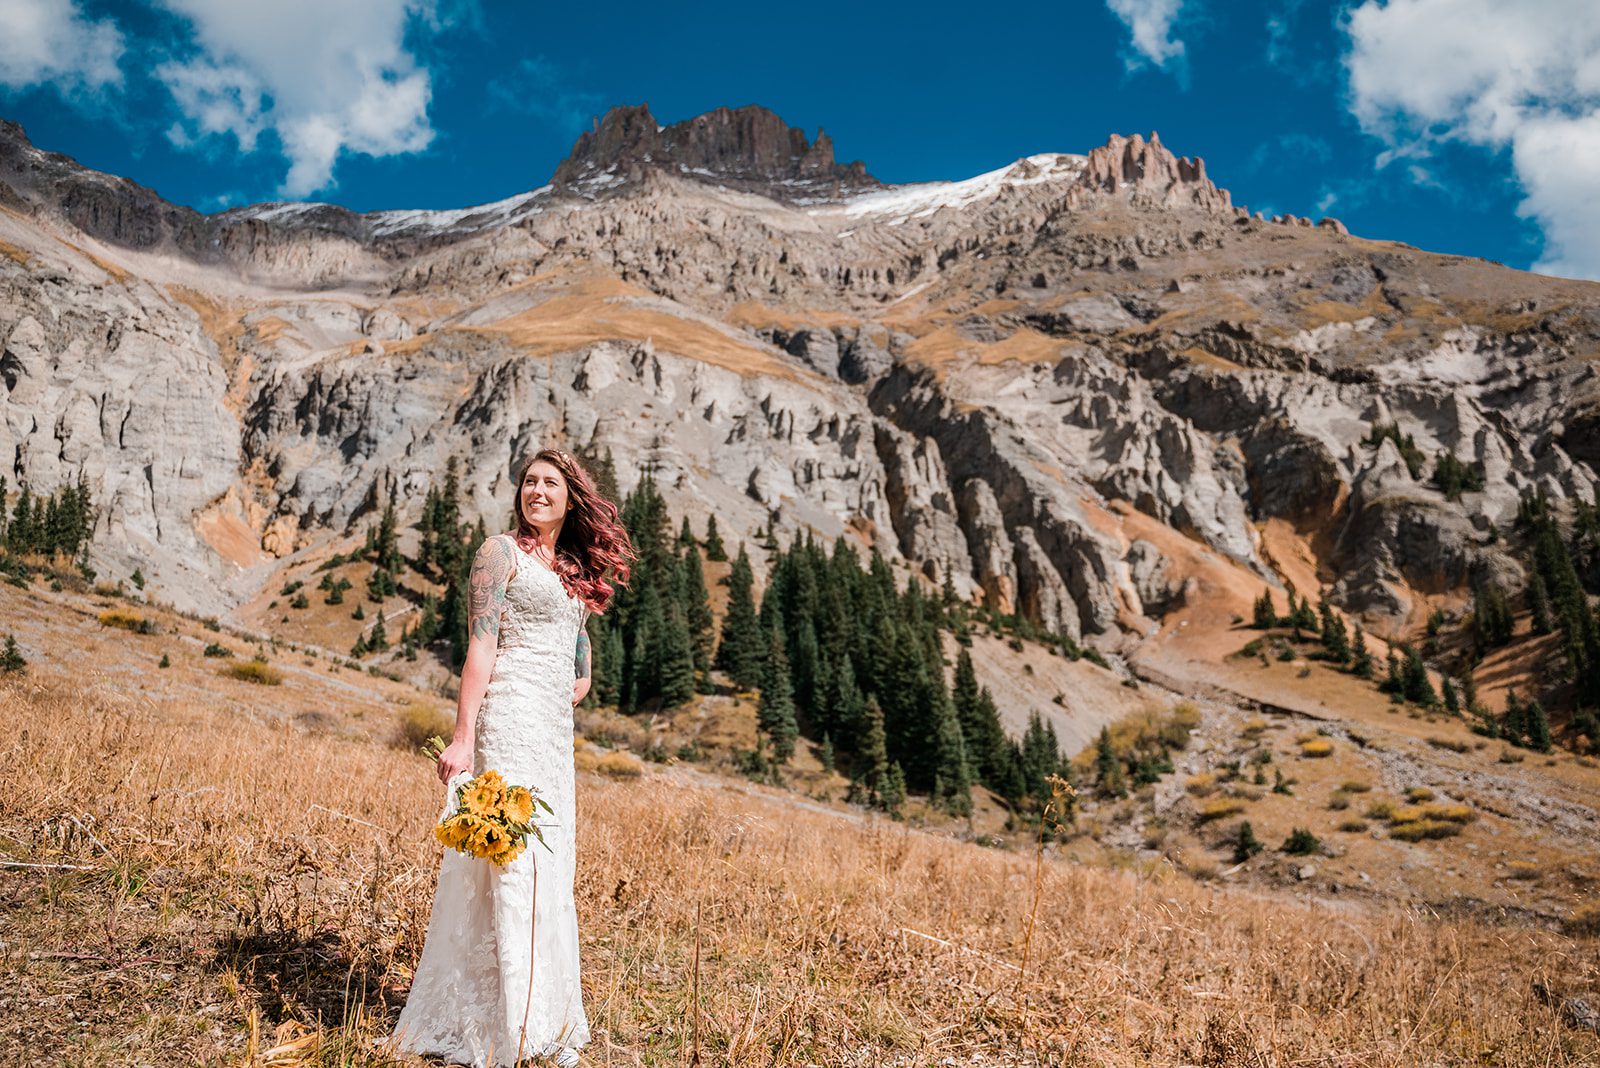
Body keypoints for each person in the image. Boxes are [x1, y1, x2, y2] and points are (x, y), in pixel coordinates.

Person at [394, 448, 634, 1067]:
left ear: (570, 497)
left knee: (550, 866)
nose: (537, 492)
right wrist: (463, 735)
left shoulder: (574, 568)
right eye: (530, 482)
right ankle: (514, 1026)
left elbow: (579, 638)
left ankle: (540, 1015)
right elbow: (480, 647)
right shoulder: (500, 554)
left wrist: (579, 675)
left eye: (550, 483)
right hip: (506, 721)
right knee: (513, 862)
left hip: (553, 736)